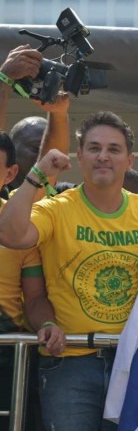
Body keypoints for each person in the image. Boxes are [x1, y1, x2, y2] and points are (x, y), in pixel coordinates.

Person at [0, 111, 138, 430]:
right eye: (94, 148)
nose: (103, 156)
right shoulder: (55, 210)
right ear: (79, 156)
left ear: (129, 160)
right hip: (69, 363)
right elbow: (10, 235)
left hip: (136, 364)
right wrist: (36, 176)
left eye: (114, 149)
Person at [0, 133, 45, 431]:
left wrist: (48, 325)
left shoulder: (17, 224)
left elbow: (35, 297)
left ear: (10, 173)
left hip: (7, 356)